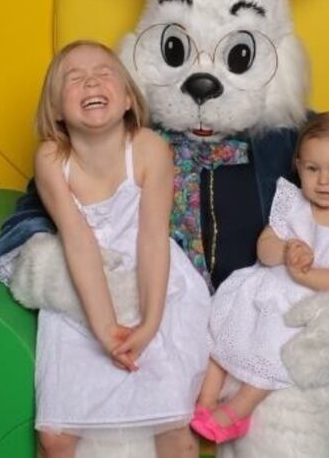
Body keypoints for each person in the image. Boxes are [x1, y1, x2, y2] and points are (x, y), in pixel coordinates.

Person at [31, 40, 210, 458]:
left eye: (103, 73)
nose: (90, 80)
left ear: (128, 98)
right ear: (56, 109)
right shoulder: (52, 158)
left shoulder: (148, 148)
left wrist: (148, 324)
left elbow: (151, 240)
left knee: (173, 427)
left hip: (154, 284)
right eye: (73, 78)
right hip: (87, 291)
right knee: (55, 435)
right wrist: (104, 328)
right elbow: (78, 242)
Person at [190, 112, 329, 444]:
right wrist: (283, 252)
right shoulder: (291, 202)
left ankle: (238, 410)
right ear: (298, 166)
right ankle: (205, 401)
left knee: (273, 349)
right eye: (313, 169)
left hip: (302, 301)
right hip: (265, 283)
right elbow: (264, 246)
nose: (323, 181)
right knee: (220, 330)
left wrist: (306, 273)